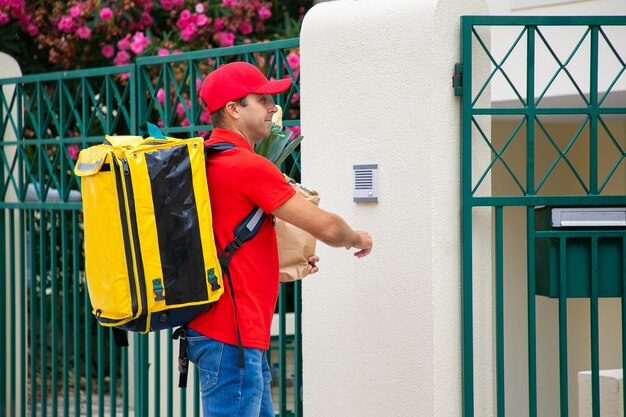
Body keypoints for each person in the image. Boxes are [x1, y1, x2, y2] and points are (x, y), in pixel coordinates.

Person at [187, 61, 373, 417]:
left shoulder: (204, 160)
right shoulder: (247, 166)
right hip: (233, 337)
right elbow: (328, 229)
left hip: (221, 330)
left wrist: (290, 260)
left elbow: (228, 238)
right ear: (233, 110)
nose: (274, 107)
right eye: (262, 99)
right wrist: (357, 237)